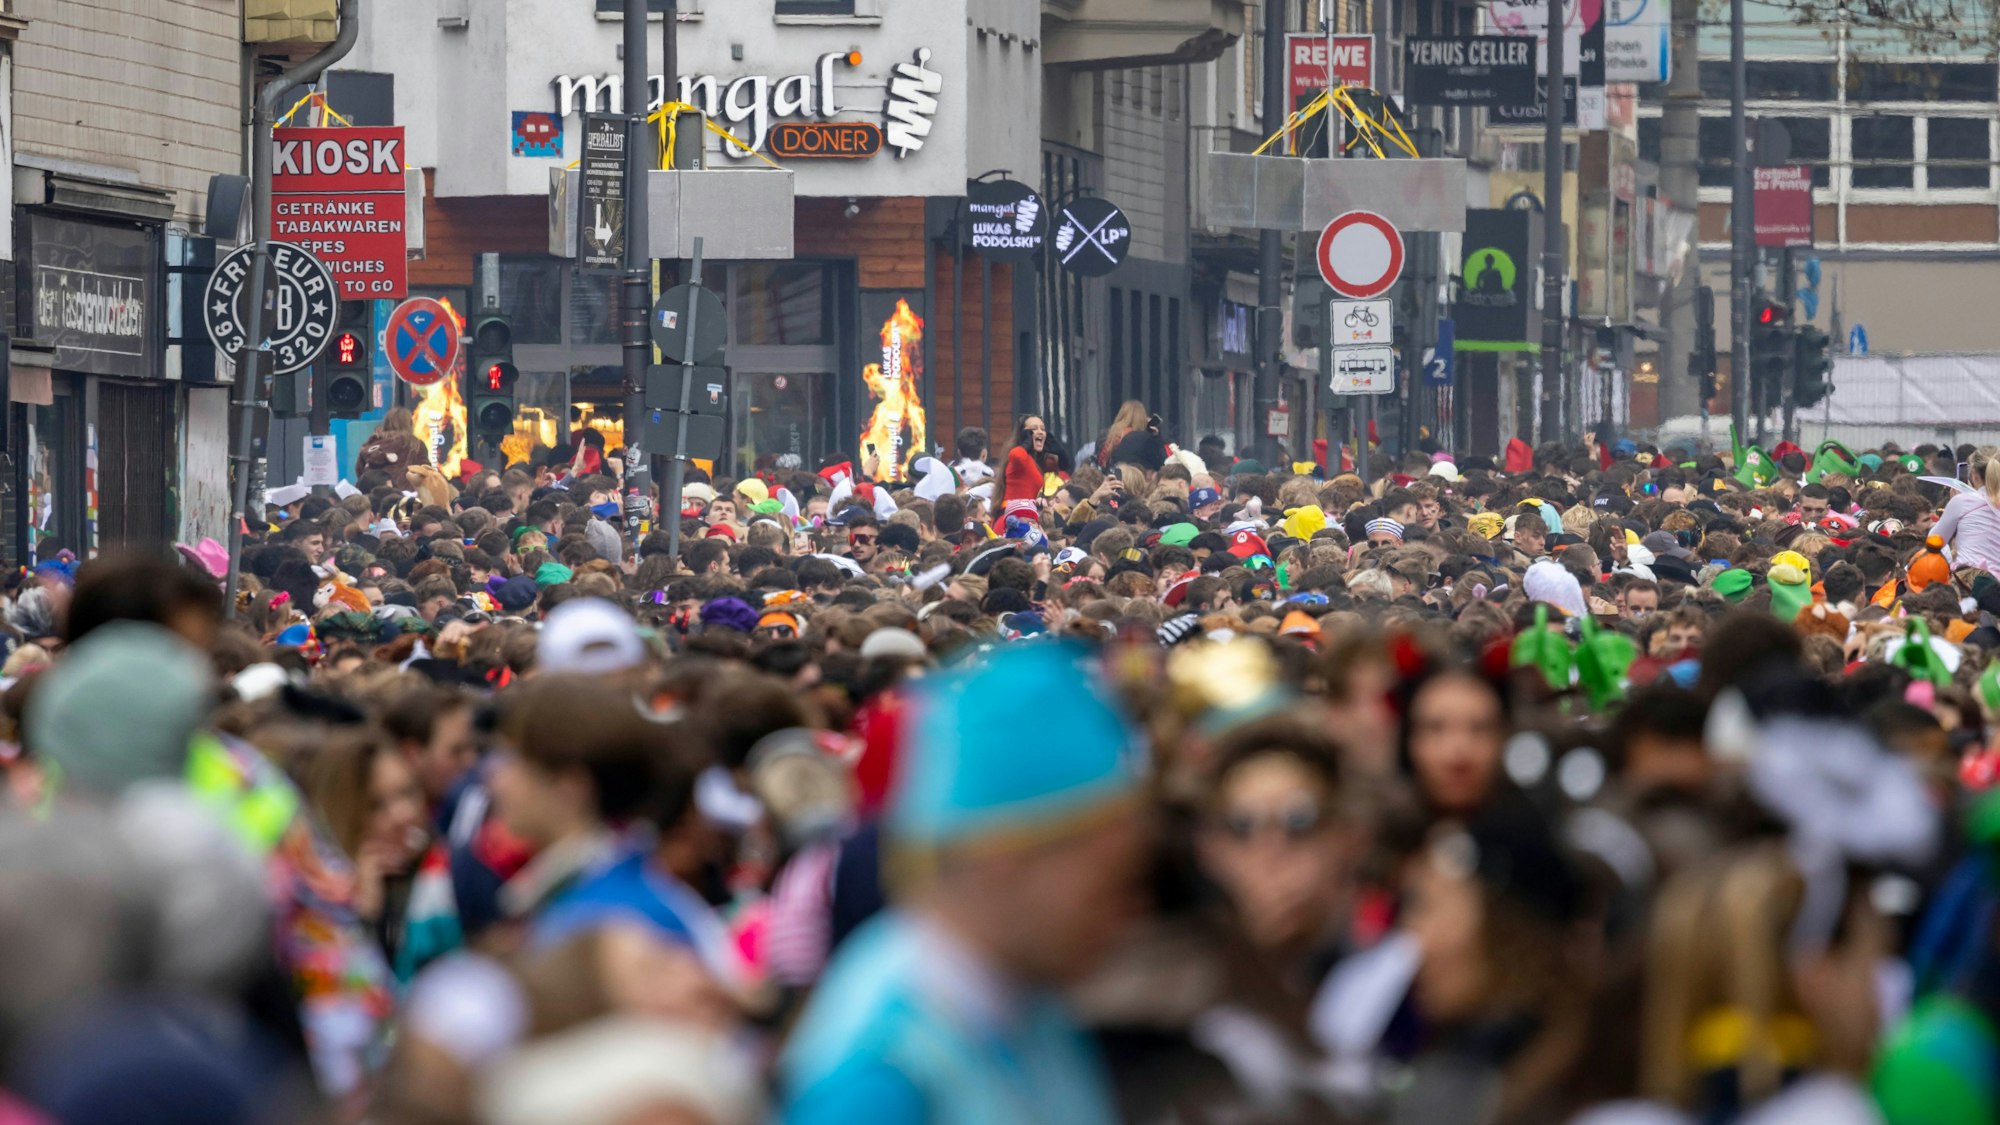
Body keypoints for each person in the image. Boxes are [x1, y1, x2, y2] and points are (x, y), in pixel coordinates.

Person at [779, 645, 1150, 1124]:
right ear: (1003, 862)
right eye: (1108, 886)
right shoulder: (886, 1080)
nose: (1130, 914)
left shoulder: (1023, 998)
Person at [1931, 445, 2000, 577]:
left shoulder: (1962, 501)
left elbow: (1934, 541)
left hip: (1969, 580)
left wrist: (1955, 502)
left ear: (1974, 476)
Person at [354, 407, 435, 489]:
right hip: (404, 494)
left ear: (386, 423)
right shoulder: (415, 444)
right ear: (409, 424)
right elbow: (425, 474)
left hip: (373, 494)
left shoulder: (372, 444)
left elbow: (360, 474)